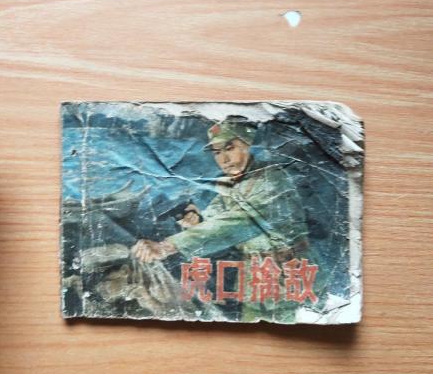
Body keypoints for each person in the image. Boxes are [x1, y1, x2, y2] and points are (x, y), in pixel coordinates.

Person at [131, 121, 324, 322]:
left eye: (230, 148)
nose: (224, 159)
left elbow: (239, 222)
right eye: (217, 152)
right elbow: (216, 215)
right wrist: (197, 219)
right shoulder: (236, 184)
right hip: (256, 280)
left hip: (294, 279)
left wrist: (169, 245)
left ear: (247, 144)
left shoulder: (272, 179)